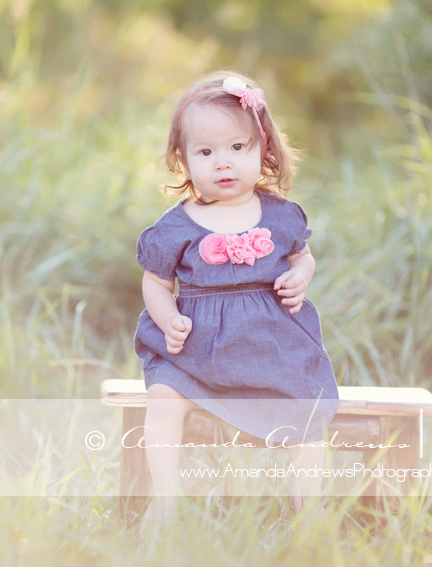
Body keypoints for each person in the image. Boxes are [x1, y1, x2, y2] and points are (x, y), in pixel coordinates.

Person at [133, 70, 339, 524]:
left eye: (237, 148)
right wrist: (168, 319)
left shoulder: (282, 215)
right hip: (195, 349)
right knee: (163, 396)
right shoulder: (174, 227)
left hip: (271, 346)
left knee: (308, 409)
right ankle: (165, 500)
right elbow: (155, 283)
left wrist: (300, 276)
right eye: (205, 152)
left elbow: (303, 256)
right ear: (183, 159)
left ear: (263, 146)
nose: (222, 163)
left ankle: (310, 508)